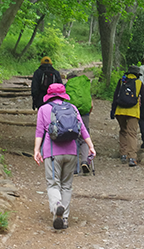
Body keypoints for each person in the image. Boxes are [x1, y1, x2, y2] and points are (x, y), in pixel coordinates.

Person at [33, 83, 96, 230]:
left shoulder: (44, 109)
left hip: (52, 153)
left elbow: (39, 132)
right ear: (63, 95)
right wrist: (91, 146)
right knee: (67, 185)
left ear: (49, 95)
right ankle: (64, 219)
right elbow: (83, 130)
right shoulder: (72, 108)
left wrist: (37, 150)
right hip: (71, 152)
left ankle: (57, 206)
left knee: (53, 183)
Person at [111, 65, 144, 167]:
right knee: (132, 133)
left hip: (120, 111)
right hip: (133, 112)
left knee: (123, 131)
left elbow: (116, 96)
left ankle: (123, 154)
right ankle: (132, 157)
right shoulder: (139, 83)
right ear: (137, 75)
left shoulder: (121, 82)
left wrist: (113, 110)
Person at [65, 72, 94, 174]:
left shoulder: (67, 87)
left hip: (70, 114)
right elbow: (91, 104)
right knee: (84, 138)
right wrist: (87, 113)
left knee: (72, 138)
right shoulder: (83, 87)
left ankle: (74, 167)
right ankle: (85, 161)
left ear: (68, 79)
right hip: (84, 114)